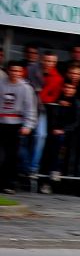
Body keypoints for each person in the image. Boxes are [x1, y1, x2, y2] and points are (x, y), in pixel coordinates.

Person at [0, 61, 38, 194]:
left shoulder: (26, 88)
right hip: (1, 122)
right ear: (8, 71)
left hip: (15, 124)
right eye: (12, 70)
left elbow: (30, 108)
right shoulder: (1, 84)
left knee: (12, 156)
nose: (15, 73)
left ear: (22, 72)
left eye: (18, 71)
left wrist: (28, 125)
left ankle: (9, 184)